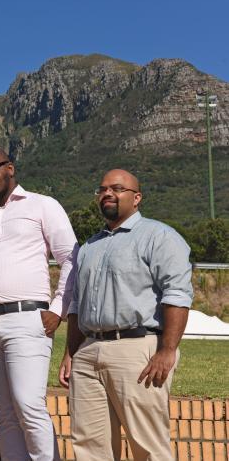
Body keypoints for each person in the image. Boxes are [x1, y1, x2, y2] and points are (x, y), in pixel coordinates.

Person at [59, 169, 193, 460]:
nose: (107, 193)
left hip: (137, 349)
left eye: (117, 188)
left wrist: (167, 350)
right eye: (103, 189)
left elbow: (177, 295)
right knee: (90, 446)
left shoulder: (160, 237)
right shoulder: (89, 247)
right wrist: (71, 353)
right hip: (88, 350)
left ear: (137, 198)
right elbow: (77, 305)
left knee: (147, 444)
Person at [0, 147, 77, 461]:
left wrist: (57, 309)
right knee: (4, 412)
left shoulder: (42, 206)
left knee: (29, 405)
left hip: (27, 320)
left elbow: (70, 258)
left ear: (9, 168)